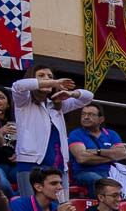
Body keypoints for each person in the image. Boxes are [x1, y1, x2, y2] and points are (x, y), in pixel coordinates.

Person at [12, 66, 93, 196]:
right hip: (31, 164)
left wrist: (71, 94)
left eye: (50, 76)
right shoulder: (24, 102)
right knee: (31, 209)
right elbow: (18, 85)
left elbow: (88, 97)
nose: (47, 79)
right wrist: (54, 82)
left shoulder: (57, 105)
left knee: (61, 208)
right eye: (41, 76)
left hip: (58, 166)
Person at [68, 103, 126, 199]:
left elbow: (123, 154)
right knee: (100, 181)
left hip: (112, 172)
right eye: (83, 114)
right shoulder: (75, 134)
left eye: (91, 114)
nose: (86, 117)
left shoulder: (111, 134)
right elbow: (82, 158)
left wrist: (97, 151)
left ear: (101, 119)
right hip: (85, 172)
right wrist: (111, 157)